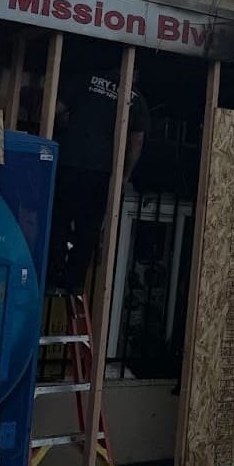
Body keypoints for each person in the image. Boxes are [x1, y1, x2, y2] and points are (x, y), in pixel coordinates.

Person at [47, 62, 149, 294]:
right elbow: (137, 143)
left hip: (69, 161)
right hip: (101, 170)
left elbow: (55, 109)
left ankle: (53, 274)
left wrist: (61, 131)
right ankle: (73, 282)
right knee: (89, 226)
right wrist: (125, 175)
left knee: (59, 217)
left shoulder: (85, 78)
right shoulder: (136, 98)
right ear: (135, 72)